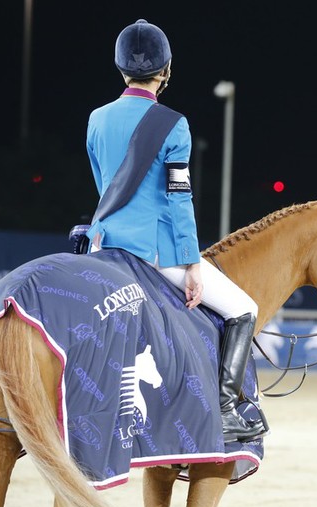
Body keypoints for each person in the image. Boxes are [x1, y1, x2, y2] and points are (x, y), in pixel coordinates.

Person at [85, 19, 266, 443]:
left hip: (102, 247)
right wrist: (191, 263)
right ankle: (223, 410)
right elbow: (178, 200)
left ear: (121, 68)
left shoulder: (96, 119)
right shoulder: (174, 124)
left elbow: (104, 187)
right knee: (244, 310)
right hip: (153, 253)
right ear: (165, 71)